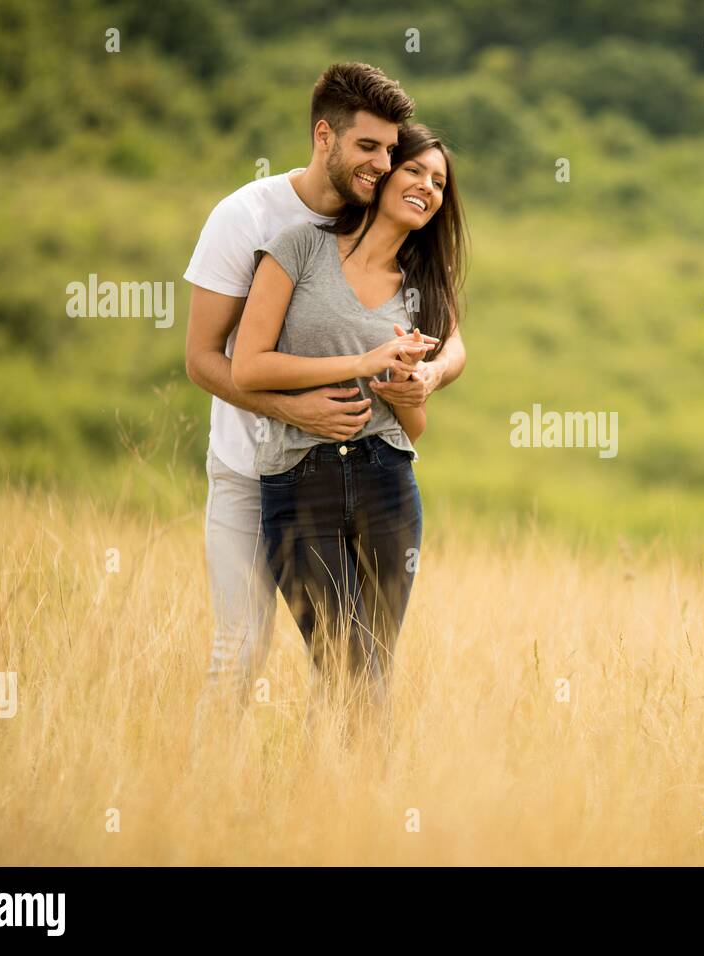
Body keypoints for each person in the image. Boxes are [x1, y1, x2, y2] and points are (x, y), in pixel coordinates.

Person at [183, 64, 467, 728]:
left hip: (368, 473)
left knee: (358, 669)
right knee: (243, 647)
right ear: (324, 137)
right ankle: (197, 812)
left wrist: (426, 378)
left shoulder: (384, 229)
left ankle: (335, 812)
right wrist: (295, 407)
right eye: (369, 149)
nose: (385, 165)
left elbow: (449, 341)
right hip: (251, 468)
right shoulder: (256, 221)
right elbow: (206, 359)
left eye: (391, 152)